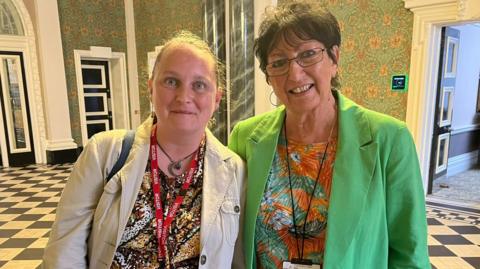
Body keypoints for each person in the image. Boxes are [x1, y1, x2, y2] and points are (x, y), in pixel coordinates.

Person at [228, 1, 430, 268]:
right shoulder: (246, 138)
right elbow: (229, 234)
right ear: (268, 76)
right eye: (278, 62)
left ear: (334, 58)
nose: (295, 73)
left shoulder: (389, 139)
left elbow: (409, 250)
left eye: (308, 54)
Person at [42, 31, 245, 269]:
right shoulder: (104, 153)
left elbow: (237, 259)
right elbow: (64, 253)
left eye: (199, 85)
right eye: (171, 81)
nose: (184, 96)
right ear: (151, 88)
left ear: (217, 99)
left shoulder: (233, 169)